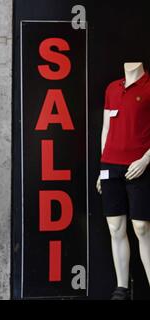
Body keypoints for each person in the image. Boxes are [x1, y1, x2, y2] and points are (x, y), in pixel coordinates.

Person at [97, 62, 150, 300]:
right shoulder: (112, 88)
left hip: (140, 165)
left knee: (141, 227)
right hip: (110, 166)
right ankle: (121, 287)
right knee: (115, 226)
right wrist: (102, 167)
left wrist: (146, 159)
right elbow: (106, 128)